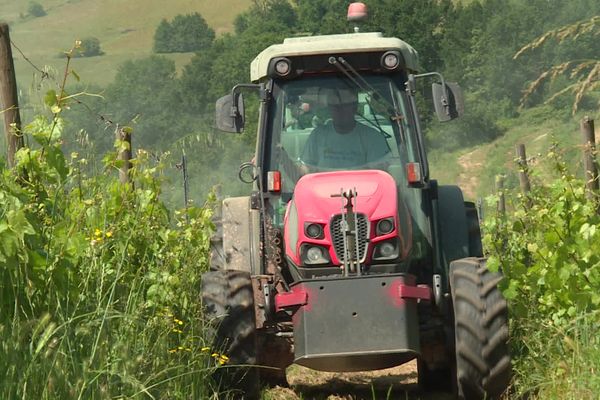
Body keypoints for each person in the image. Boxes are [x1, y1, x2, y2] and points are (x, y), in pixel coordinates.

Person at [299, 87, 390, 169]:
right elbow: (306, 170)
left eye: (344, 106)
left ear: (354, 107)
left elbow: (379, 175)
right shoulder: (318, 135)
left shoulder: (372, 138)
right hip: (322, 187)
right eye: (335, 106)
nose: (339, 110)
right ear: (330, 108)